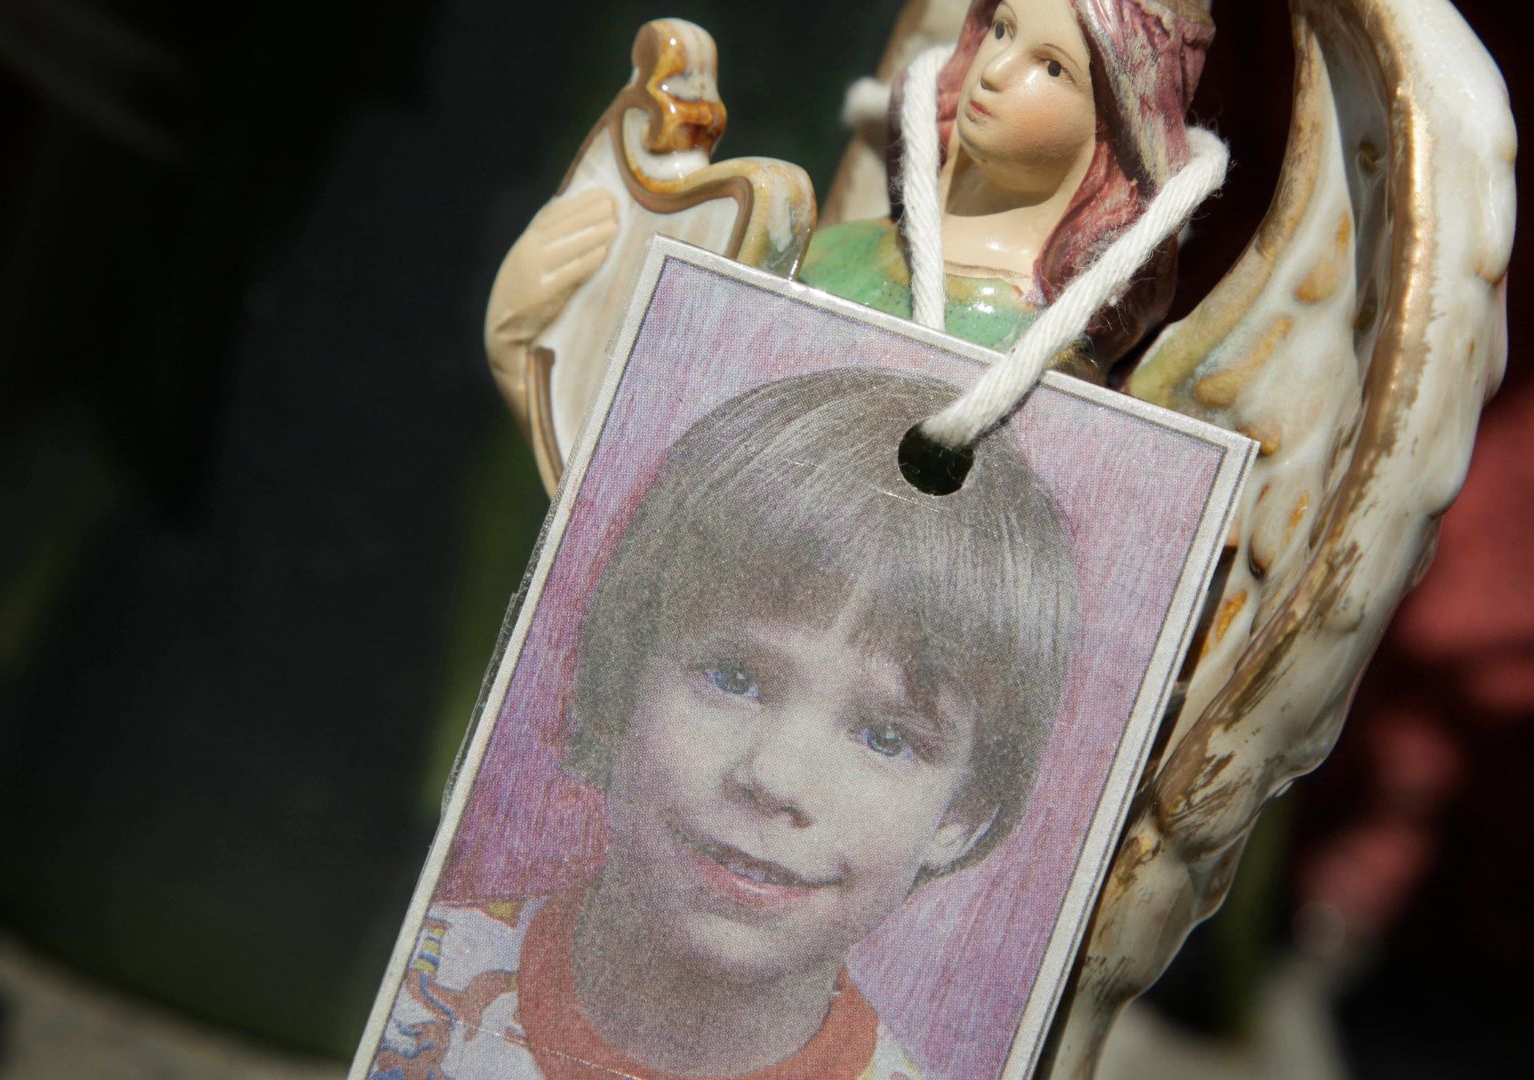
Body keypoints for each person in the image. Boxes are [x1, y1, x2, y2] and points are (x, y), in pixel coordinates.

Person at [370, 369, 1079, 1080]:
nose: (775, 778)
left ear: (963, 812)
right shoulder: (410, 989)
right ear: (622, 676)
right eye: (734, 679)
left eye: (885, 738)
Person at [486, 0, 1215, 397]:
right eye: (1000, 28)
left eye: (1051, 68)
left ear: (1119, 131)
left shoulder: (1048, 371)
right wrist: (521, 348)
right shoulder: (829, 251)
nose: (995, 69)